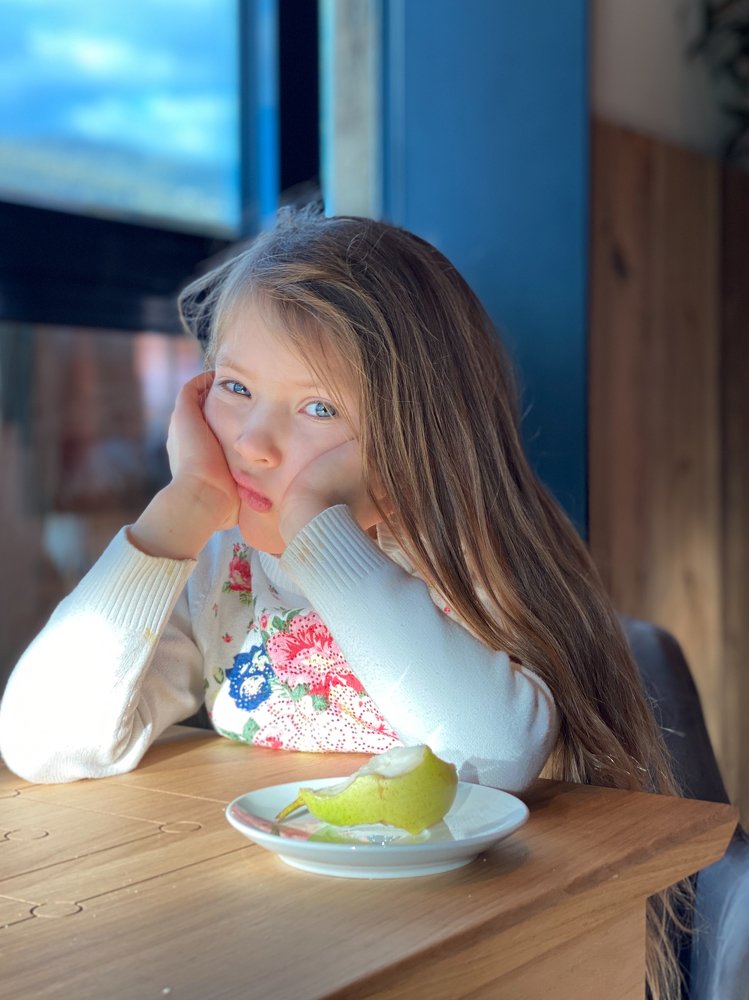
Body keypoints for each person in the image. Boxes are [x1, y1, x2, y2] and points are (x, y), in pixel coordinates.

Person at [0, 209, 684, 997]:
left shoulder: (460, 557)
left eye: (319, 408)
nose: (253, 442)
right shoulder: (225, 564)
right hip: (288, 930)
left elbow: (491, 760)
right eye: (234, 387)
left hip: (481, 940)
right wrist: (177, 514)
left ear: (422, 428)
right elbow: (44, 745)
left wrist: (317, 537)